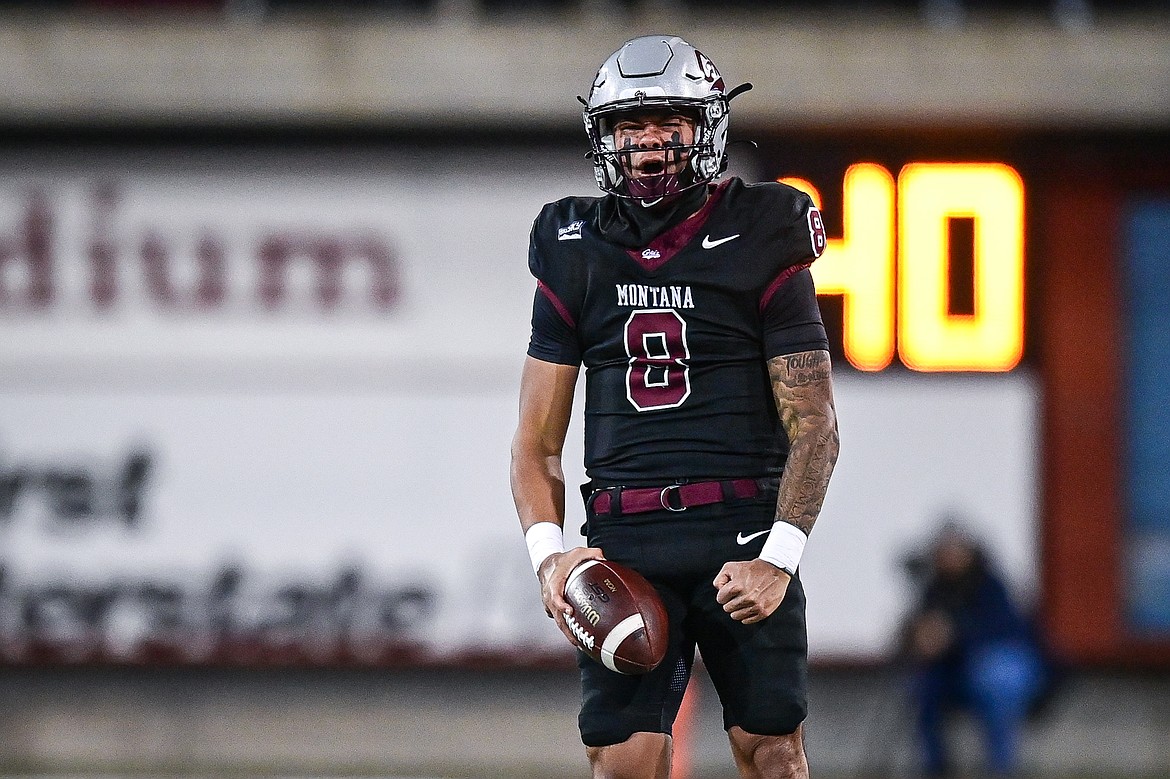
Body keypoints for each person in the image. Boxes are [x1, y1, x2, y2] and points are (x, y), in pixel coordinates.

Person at [510, 35, 840, 779]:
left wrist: (779, 559)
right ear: (604, 138)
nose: (649, 141)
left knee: (773, 753)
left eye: (670, 121)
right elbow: (534, 441)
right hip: (627, 539)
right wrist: (548, 559)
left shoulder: (763, 228)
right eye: (630, 125)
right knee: (622, 760)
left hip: (742, 529)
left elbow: (814, 422)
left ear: (708, 128)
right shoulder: (573, 243)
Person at [903, 523, 1049, 777]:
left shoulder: (989, 586)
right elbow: (915, 633)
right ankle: (936, 765)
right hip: (949, 673)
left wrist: (951, 636)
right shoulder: (935, 589)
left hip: (988, 670)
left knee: (997, 685)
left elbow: (999, 631)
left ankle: (1001, 767)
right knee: (923, 691)